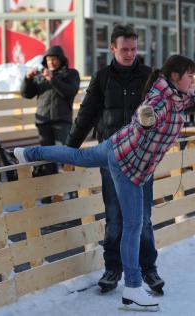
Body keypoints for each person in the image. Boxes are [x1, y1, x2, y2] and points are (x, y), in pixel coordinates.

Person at [13, 55, 195, 310]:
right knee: (133, 224)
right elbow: (150, 111)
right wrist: (147, 118)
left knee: (77, 156)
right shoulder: (160, 100)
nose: (193, 80)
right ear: (176, 77)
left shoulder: (175, 94)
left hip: (116, 145)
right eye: (190, 75)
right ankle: (133, 287)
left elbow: (190, 98)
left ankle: (27, 153)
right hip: (126, 165)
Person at [64, 24, 163, 294]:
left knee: (142, 216)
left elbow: (170, 106)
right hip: (112, 156)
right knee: (115, 215)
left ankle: (149, 269)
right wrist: (71, 149)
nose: (130, 54)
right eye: (124, 49)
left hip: (142, 157)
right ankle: (112, 268)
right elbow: (86, 115)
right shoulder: (102, 78)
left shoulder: (149, 76)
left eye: (133, 49)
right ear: (112, 48)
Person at [20, 45, 80, 203]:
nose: (51, 62)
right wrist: (27, 79)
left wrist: (52, 79)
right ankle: (49, 195)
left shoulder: (71, 74)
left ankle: (71, 192)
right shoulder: (40, 75)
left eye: (54, 59)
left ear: (61, 60)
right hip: (43, 122)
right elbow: (26, 94)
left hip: (62, 121)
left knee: (66, 156)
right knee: (47, 160)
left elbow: (70, 92)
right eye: (48, 59)